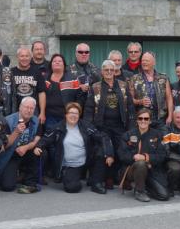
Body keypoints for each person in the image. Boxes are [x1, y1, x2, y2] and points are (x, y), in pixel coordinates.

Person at [38, 102, 113, 194]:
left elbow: (103, 137)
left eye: (76, 113)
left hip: (87, 160)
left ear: (79, 115)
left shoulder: (86, 125)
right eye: (71, 113)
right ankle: (69, 175)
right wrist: (39, 146)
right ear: (66, 114)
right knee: (72, 188)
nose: (73, 116)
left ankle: (96, 183)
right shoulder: (58, 127)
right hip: (71, 165)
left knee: (101, 151)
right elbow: (45, 139)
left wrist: (109, 154)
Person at [83, 60, 134, 189]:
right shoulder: (95, 87)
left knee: (121, 150)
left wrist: (131, 127)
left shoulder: (123, 85)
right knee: (104, 150)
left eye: (112, 70)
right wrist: (89, 126)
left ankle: (121, 178)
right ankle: (106, 178)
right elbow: (89, 108)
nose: (109, 72)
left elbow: (130, 107)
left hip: (120, 125)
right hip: (102, 126)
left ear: (115, 72)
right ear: (102, 72)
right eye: (106, 70)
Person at [118, 108, 169, 202]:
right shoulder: (128, 135)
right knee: (141, 164)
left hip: (152, 170)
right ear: (137, 120)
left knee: (164, 196)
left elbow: (162, 155)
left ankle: (144, 186)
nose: (143, 121)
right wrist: (134, 157)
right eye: (140, 118)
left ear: (150, 121)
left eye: (146, 119)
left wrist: (146, 157)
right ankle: (139, 191)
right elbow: (122, 155)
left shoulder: (157, 135)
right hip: (132, 169)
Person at [2, 97, 43, 193]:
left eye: (31, 108)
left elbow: (37, 139)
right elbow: (5, 144)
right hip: (11, 153)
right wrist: (16, 132)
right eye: (26, 107)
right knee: (7, 187)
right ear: (20, 107)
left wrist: (26, 147)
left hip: (27, 152)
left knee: (39, 151)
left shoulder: (36, 121)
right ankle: (15, 175)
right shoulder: (8, 120)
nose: (29, 110)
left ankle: (30, 182)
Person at [129, 51, 173, 128]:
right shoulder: (134, 78)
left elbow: (169, 98)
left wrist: (170, 116)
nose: (144, 63)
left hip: (160, 119)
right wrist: (140, 101)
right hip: (142, 119)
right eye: (143, 61)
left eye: (147, 61)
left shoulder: (163, 78)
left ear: (154, 63)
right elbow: (129, 100)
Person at [45, 53, 84, 131]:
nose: (57, 62)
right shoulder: (45, 79)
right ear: (51, 64)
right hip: (49, 116)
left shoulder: (73, 79)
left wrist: (75, 112)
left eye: (60, 61)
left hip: (67, 115)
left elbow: (79, 97)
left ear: (64, 65)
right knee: (51, 136)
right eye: (54, 61)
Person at [10, 46, 47, 121]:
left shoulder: (37, 72)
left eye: (27, 56)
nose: (24, 58)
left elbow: (41, 93)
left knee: (33, 128)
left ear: (30, 57)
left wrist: (42, 112)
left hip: (33, 110)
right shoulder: (11, 72)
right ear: (17, 57)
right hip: (15, 110)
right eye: (22, 56)